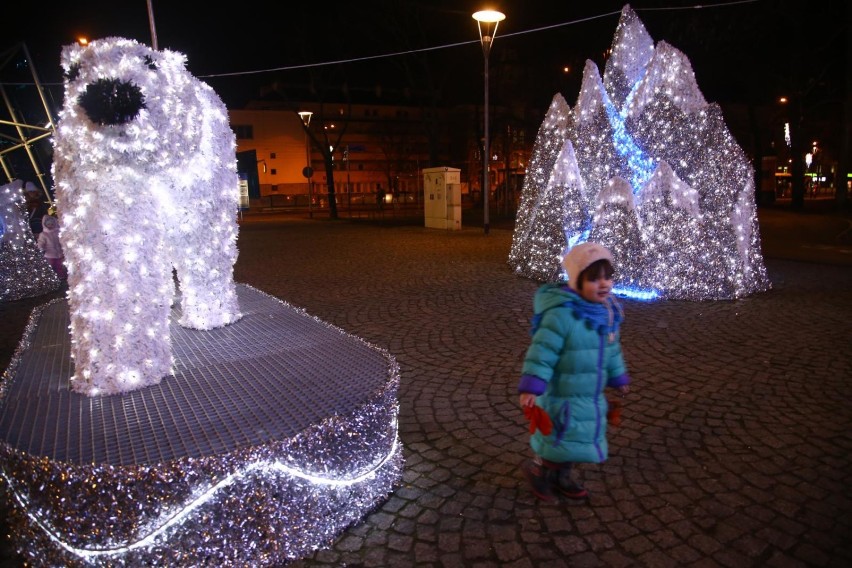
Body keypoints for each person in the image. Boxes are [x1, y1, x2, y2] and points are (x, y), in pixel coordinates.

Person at [518, 242, 631, 502]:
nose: (603, 284)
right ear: (576, 281)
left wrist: (618, 377)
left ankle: (562, 476)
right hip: (561, 396)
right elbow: (542, 353)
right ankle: (539, 472)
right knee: (557, 439)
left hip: (588, 395)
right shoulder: (561, 316)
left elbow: (612, 350)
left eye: (608, 277)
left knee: (575, 440)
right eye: (594, 279)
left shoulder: (607, 314)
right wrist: (531, 387)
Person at [37, 215, 67, 280]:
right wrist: (40, 247)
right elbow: (41, 242)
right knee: (51, 266)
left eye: (52, 224)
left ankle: (61, 276)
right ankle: (51, 277)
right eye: (48, 224)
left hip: (59, 253)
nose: (50, 225)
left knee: (59, 265)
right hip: (49, 254)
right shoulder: (43, 234)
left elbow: (61, 240)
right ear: (45, 225)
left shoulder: (57, 232)